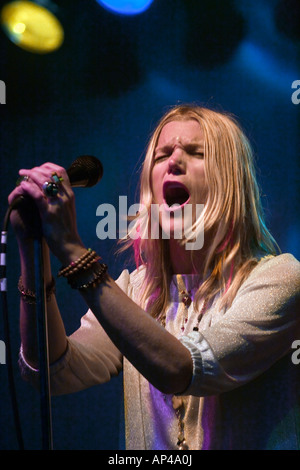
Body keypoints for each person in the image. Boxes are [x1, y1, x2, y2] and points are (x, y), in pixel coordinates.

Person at [8, 104, 300, 450]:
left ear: (230, 182)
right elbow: (52, 370)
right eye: (162, 155)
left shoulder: (281, 277)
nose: (174, 162)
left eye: (196, 153)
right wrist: (32, 251)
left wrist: (74, 252)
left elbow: (182, 368)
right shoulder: (134, 289)